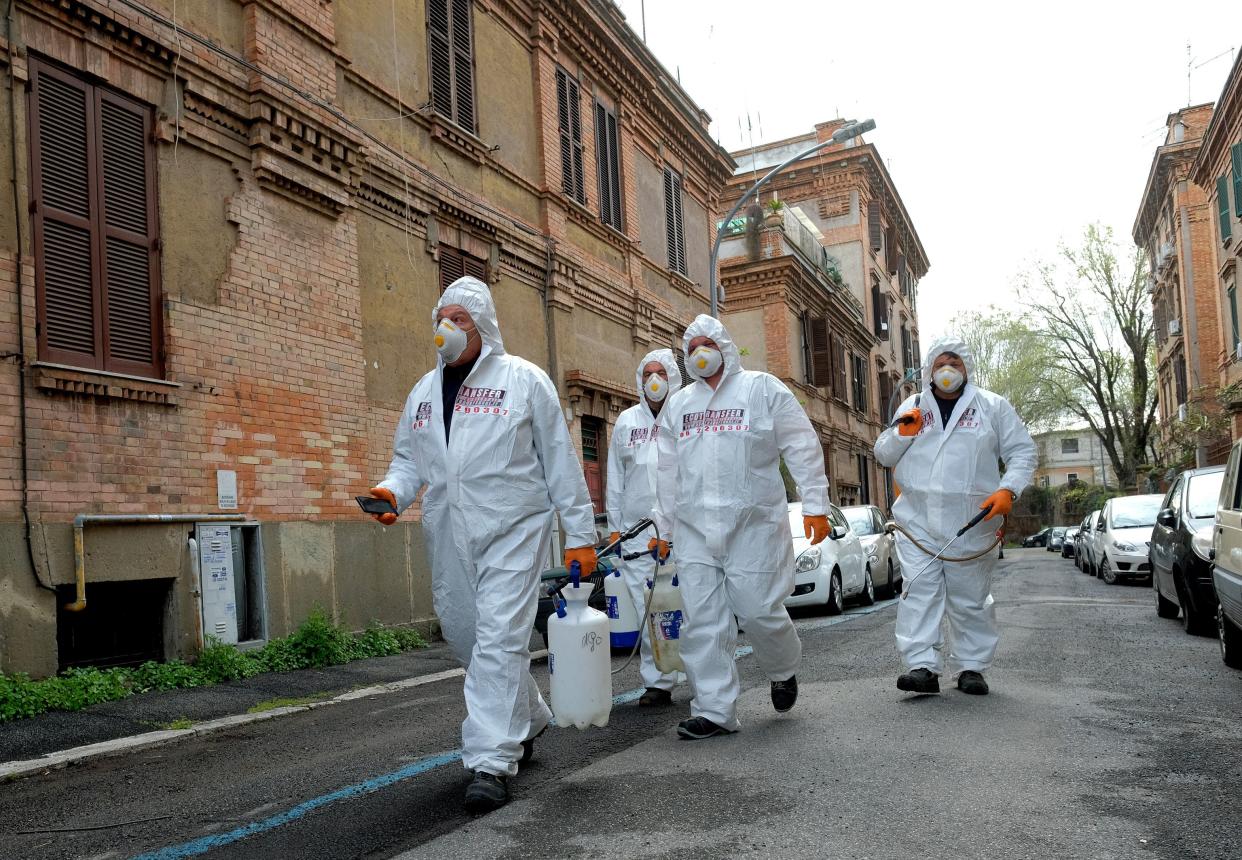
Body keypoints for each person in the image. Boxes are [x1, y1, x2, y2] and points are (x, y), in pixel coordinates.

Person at [365, 276, 598, 813]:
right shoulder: (423, 393)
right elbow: (408, 462)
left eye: (459, 319)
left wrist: (580, 538)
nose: (445, 328)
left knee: (497, 639)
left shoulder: (524, 382)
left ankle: (490, 762)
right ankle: (532, 716)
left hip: (513, 530)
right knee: (468, 636)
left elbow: (562, 464)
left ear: (484, 324)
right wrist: (391, 493)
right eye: (440, 318)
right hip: (449, 533)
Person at [652, 314, 831, 740]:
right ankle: (714, 710)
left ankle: (783, 669)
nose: (698, 352)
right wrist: (664, 527)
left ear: (724, 347)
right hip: (696, 530)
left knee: (759, 610)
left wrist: (816, 504)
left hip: (753, 525)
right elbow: (666, 471)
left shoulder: (762, 389)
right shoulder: (680, 405)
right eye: (690, 346)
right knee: (703, 621)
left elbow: (801, 445)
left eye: (705, 343)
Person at [874, 336, 1036, 696]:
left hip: (972, 521)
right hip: (917, 520)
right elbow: (884, 455)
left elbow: (1023, 452)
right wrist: (903, 433)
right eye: (941, 363)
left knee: (970, 596)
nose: (948, 370)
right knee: (919, 592)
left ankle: (971, 668)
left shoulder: (992, 407)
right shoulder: (913, 405)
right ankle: (922, 667)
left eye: (956, 363)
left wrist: (1008, 490)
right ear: (930, 369)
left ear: (967, 368)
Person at [606, 349, 685, 707]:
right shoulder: (626, 422)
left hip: (682, 531)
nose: (654, 380)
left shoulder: (685, 414)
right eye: (648, 373)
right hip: (637, 536)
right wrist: (614, 529)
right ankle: (658, 683)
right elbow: (615, 480)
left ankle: (703, 675)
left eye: (661, 373)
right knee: (647, 608)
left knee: (690, 608)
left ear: (672, 376)